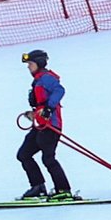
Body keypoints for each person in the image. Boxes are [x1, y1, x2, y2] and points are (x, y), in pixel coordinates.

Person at [16, 49, 73, 200]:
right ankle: (38, 187)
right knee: (24, 154)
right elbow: (41, 103)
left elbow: (59, 91)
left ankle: (63, 190)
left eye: (30, 64)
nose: (28, 67)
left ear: (39, 63)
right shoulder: (38, 80)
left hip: (51, 127)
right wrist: (34, 114)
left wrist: (48, 109)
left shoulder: (46, 78)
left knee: (48, 158)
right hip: (40, 126)